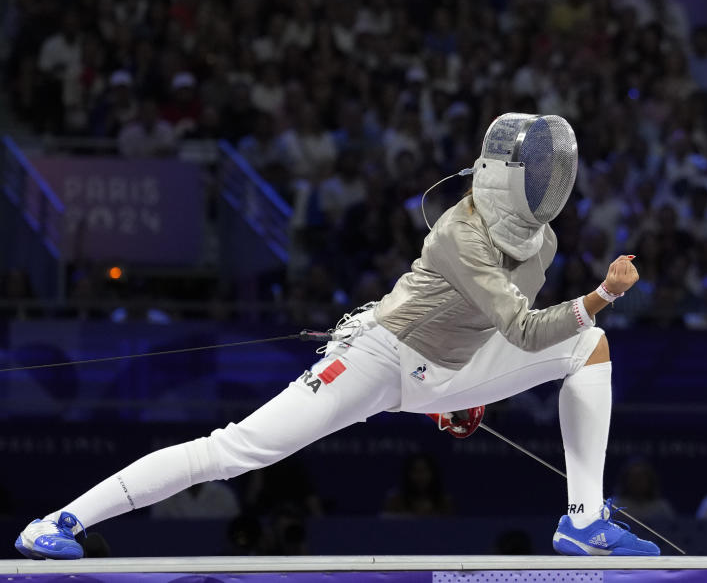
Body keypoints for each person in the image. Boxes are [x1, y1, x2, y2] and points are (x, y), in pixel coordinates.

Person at [16, 113, 658, 559]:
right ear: (506, 174)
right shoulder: (455, 233)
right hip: (378, 358)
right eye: (539, 170)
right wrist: (602, 296)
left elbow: (504, 328)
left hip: (445, 371)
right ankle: (61, 521)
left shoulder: (540, 240)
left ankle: (585, 523)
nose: (551, 180)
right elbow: (521, 327)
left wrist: (470, 392)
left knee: (586, 347)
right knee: (238, 449)